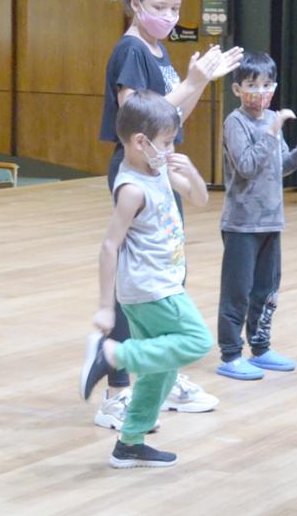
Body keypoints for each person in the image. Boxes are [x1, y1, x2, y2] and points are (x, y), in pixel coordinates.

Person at [93, 0, 241, 429]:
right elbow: (138, 119)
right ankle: (116, 390)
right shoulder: (131, 50)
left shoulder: (159, 50)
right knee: (137, 277)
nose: (170, 17)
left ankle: (164, 370)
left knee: (165, 272)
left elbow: (173, 118)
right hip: (137, 170)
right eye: (161, 7)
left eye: (176, 9)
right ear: (136, 4)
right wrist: (194, 81)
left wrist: (199, 82)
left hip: (161, 165)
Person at [80, 90, 215, 468]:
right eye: (167, 142)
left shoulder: (159, 171)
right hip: (153, 289)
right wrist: (106, 309)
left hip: (153, 287)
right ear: (141, 142)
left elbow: (201, 200)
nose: (170, 148)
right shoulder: (132, 188)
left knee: (161, 370)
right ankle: (111, 355)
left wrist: (192, 174)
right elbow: (109, 247)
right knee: (196, 341)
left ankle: (130, 443)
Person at [214, 51, 297, 381]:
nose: (260, 92)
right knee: (238, 291)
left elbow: (276, 168)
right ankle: (231, 354)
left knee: (266, 290)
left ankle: (260, 348)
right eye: (251, 85)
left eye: (266, 84)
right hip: (242, 223)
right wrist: (272, 132)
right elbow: (246, 167)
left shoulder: (270, 120)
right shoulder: (236, 123)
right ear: (237, 89)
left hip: (271, 221)